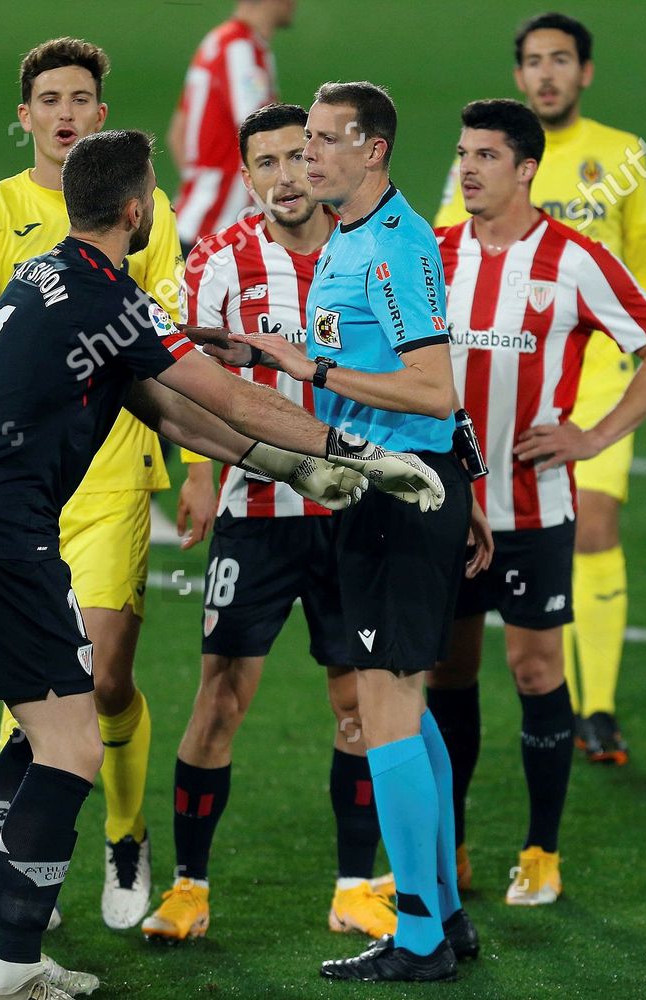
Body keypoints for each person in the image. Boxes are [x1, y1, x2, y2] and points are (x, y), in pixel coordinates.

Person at [0, 128, 443, 1000]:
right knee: (73, 748)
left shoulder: (50, 274)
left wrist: (299, 469)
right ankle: (12, 968)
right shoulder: (108, 299)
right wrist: (355, 449)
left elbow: (175, 413)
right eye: (155, 195)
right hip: (2, 540)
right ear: (135, 210)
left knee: (38, 738)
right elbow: (228, 396)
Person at [212, 81, 487, 983]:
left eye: (323, 143)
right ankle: (442, 915)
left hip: (397, 494)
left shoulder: (389, 249)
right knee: (405, 700)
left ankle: (417, 939)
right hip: (392, 491)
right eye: (297, 148)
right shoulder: (358, 238)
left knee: (388, 710)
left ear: (372, 151)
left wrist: (309, 363)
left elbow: (431, 387)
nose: (306, 159)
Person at [0, 40, 181, 978]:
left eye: (84, 97)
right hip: (30, 474)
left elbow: (167, 343)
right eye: (50, 98)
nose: (68, 111)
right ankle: (8, 924)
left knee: (107, 676)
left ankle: (125, 834)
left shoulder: (144, 207)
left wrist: (196, 464)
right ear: (26, 115)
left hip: (115, 464)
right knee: (37, 701)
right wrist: (38, 297)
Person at [143, 103, 397, 944]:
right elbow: (191, 381)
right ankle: (188, 887)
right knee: (220, 700)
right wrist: (199, 477)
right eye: (267, 163)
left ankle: (354, 887)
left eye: (301, 155)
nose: (287, 177)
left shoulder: (372, 254)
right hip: (258, 514)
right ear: (246, 174)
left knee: (356, 704)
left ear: (326, 159)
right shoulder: (218, 261)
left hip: (353, 512)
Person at [431, 99, 646, 908]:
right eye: (463, 154)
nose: (467, 169)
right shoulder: (433, 254)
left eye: (485, 156)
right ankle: (454, 845)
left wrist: (594, 435)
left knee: (535, 667)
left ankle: (542, 851)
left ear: (525, 168)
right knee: (450, 675)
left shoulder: (574, 260)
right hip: (447, 512)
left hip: (535, 508)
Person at [168, 0, 296, 248]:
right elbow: (262, 132)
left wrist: (203, 189)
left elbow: (178, 134)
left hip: (194, 224)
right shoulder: (240, 49)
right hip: (217, 235)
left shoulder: (220, 43)